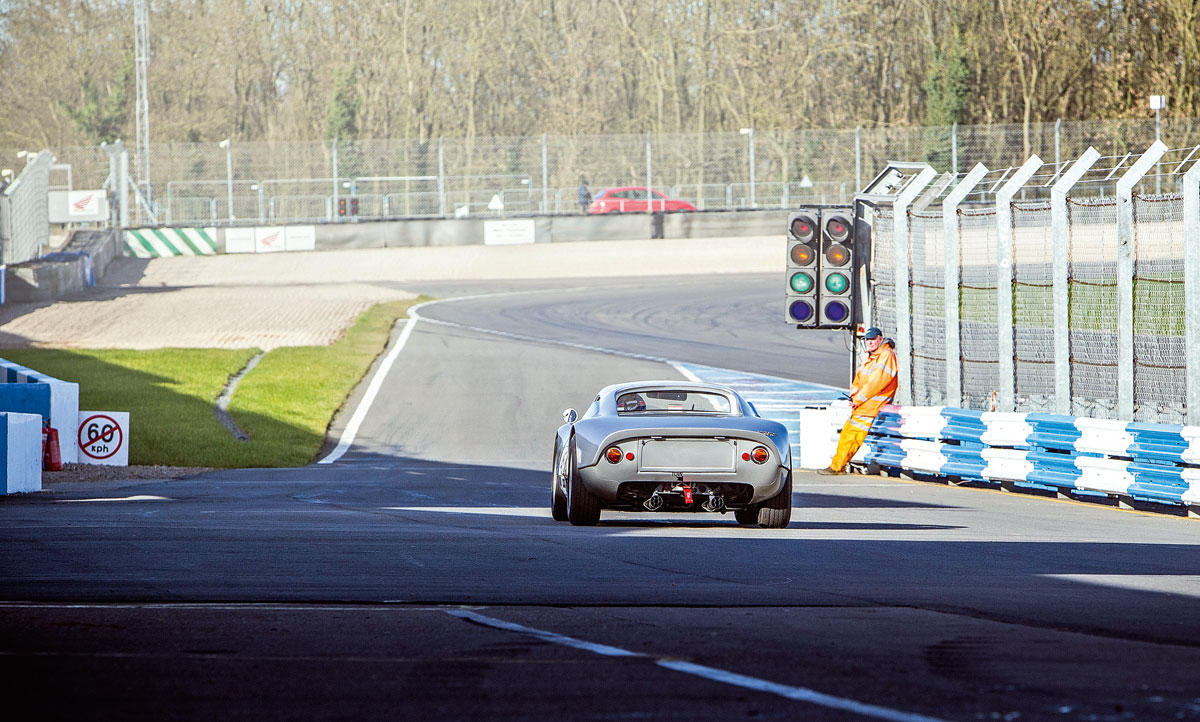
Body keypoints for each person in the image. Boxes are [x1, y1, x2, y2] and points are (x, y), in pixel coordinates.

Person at [819, 327, 898, 475]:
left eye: (873, 339)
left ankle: (836, 467)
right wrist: (854, 396)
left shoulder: (886, 355)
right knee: (847, 435)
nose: (870, 342)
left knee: (851, 436)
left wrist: (858, 399)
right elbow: (860, 379)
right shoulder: (872, 356)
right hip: (864, 405)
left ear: (880, 339)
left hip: (871, 405)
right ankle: (837, 466)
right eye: (867, 339)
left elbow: (876, 382)